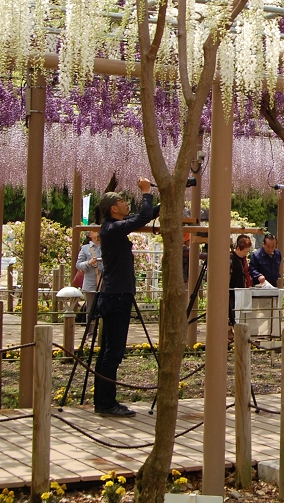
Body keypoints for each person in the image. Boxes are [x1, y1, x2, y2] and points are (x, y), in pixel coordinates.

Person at [95, 178, 158, 418]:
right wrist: (146, 192)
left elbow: (145, 215)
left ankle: (103, 401)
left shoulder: (112, 228)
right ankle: (106, 403)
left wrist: (166, 198)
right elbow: (142, 218)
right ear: (113, 208)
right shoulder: (112, 229)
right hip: (117, 296)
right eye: (122, 201)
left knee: (108, 351)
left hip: (115, 295)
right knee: (113, 352)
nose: (125, 203)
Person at [229, 234, 254, 341]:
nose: (245, 254)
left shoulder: (242, 259)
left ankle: (233, 329)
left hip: (239, 289)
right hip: (232, 290)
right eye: (244, 252)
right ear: (238, 248)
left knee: (236, 312)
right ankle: (229, 329)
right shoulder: (231, 258)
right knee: (230, 311)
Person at [75, 231, 103, 319]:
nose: (98, 232)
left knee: (105, 309)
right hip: (91, 283)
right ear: (90, 235)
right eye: (94, 231)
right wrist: (89, 263)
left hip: (106, 283)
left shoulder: (106, 247)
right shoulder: (85, 248)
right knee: (90, 309)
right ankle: (90, 328)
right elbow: (78, 265)